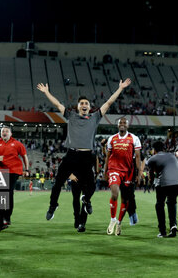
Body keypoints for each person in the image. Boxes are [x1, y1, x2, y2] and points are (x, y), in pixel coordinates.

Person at [38, 79, 131, 228]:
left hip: (86, 157)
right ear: (78, 107)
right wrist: (47, 92)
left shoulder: (95, 117)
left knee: (92, 186)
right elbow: (57, 104)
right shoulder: (71, 116)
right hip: (71, 155)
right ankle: (53, 206)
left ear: (89, 107)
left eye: (86, 103)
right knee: (57, 183)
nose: (84, 105)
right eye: (81, 103)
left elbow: (108, 103)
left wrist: (120, 88)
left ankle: (86, 200)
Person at [103, 117, 143, 236]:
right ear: (117, 125)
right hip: (114, 169)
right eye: (120, 122)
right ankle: (113, 219)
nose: (122, 124)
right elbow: (108, 156)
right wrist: (105, 171)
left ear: (128, 126)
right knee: (115, 194)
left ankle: (119, 223)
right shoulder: (112, 138)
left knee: (125, 199)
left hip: (128, 172)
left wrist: (138, 174)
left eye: (124, 123)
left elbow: (138, 157)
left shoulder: (134, 138)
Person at [0, 125, 29, 232]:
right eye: (3, 131)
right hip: (2, 172)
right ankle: (1, 222)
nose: (4, 132)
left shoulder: (17, 144)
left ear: (11, 134)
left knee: (8, 193)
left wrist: (27, 169)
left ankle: (7, 216)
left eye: (6, 131)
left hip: (14, 171)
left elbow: (24, 156)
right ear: (1, 133)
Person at [146, 141, 178, 238]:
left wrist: (150, 183)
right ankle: (173, 226)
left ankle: (162, 231)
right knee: (172, 202)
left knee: (159, 204)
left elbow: (151, 175)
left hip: (165, 182)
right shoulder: (172, 156)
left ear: (154, 150)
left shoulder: (152, 158)